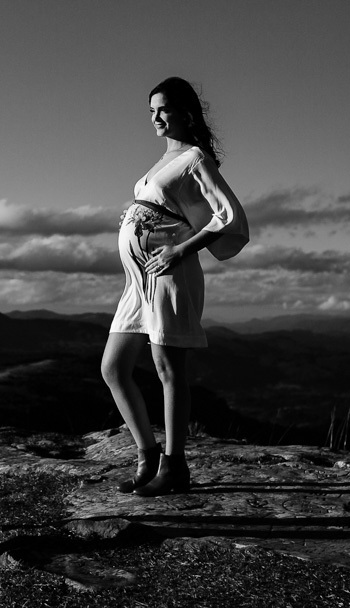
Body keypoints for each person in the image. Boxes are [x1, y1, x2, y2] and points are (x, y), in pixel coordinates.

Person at [100, 77, 249, 497]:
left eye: (163, 109)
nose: (156, 118)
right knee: (112, 368)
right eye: (151, 111)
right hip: (140, 280)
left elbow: (229, 217)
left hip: (169, 274)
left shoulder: (195, 158)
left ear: (185, 112)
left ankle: (175, 465)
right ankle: (147, 455)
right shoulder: (161, 162)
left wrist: (179, 250)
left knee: (168, 369)